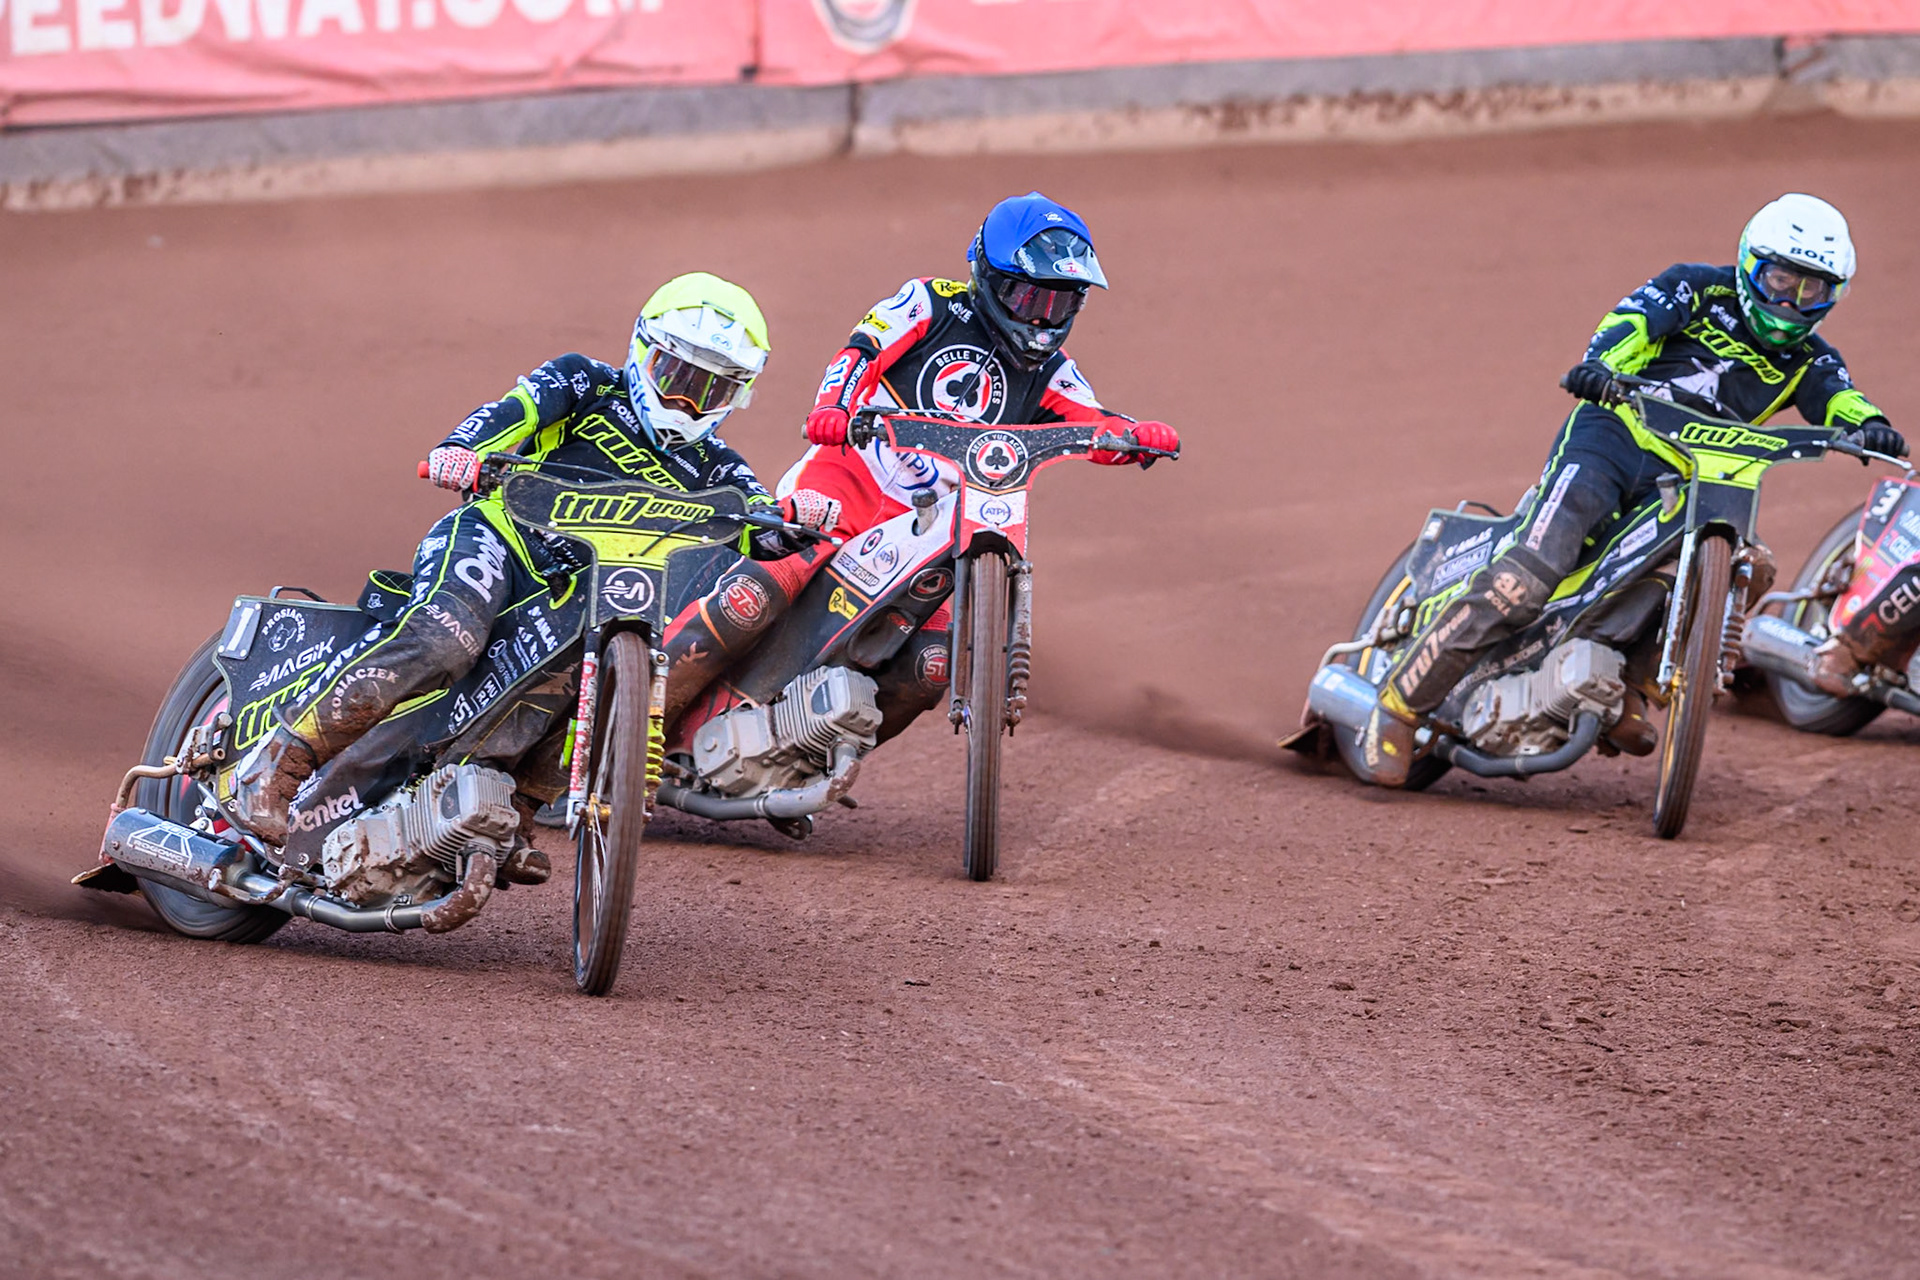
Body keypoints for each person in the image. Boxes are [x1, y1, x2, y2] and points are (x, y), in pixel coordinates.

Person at [231, 272, 795, 862]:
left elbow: (763, 527)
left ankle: (514, 815)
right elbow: (511, 411)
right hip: (497, 538)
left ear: (738, 395)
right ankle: (276, 765)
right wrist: (462, 451)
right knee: (447, 637)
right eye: (676, 375)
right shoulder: (585, 381)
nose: (685, 401)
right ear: (641, 351)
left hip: (580, 593)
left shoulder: (717, 465)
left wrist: (798, 515)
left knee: (593, 683)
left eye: (710, 389)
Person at [1365, 193, 1907, 785]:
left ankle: (1630, 680)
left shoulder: (1810, 359)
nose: (1790, 302)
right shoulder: (1696, 288)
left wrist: (1869, 425)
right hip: (1614, 436)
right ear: (1751, 264)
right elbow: (1633, 323)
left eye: (1811, 290)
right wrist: (1602, 364)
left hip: (1691, 475)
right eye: (1781, 279)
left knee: (1748, 568)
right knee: (1527, 577)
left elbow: (1841, 397)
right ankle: (1398, 705)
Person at [657, 191, 1180, 740]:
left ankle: (813, 756)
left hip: (938, 529)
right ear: (989, 276)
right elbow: (861, 352)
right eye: (1028, 297)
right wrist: (832, 407)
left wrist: (1135, 437)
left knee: (933, 666)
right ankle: (634, 728)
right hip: (849, 480)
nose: (1042, 319)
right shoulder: (930, 304)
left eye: (1059, 304)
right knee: (757, 592)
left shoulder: (1053, 370)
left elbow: (1092, 422)